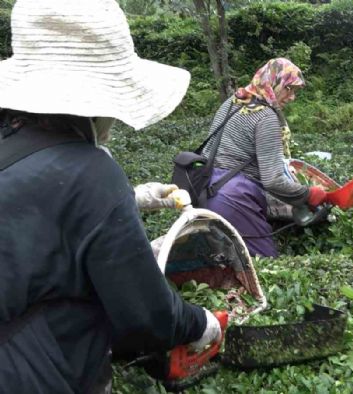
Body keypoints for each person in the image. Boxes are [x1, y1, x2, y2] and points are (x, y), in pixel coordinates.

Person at [0, 1, 221, 392]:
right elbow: (147, 315)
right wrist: (202, 323)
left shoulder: (13, 140)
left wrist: (134, 197)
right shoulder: (91, 172)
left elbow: (32, 211)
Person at [201, 58, 327, 258]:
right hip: (234, 199)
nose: (292, 97)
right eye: (288, 89)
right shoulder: (265, 117)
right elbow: (273, 180)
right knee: (264, 265)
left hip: (204, 192)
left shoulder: (236, 99)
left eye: (295, 91)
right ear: (273, 82)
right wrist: (307, 194)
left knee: (220, 265)